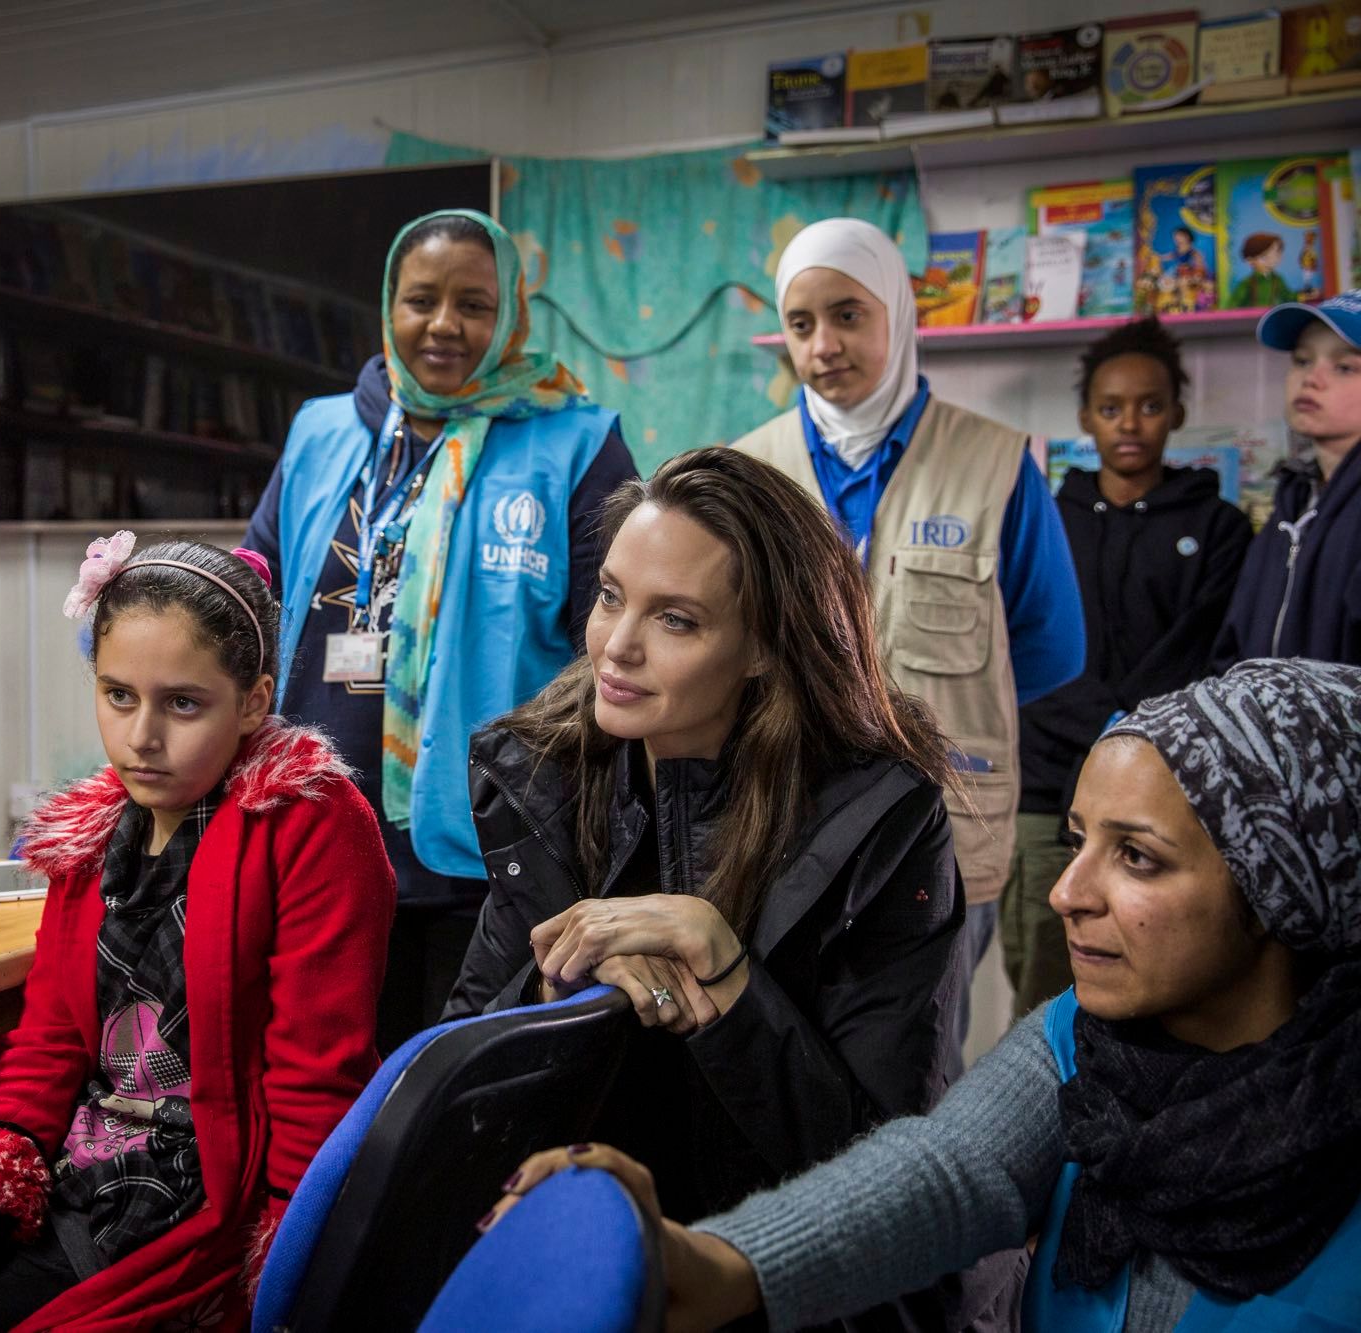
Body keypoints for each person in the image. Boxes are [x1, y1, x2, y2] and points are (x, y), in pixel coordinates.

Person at [488, 658, 1361, 1333]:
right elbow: (947, 1171)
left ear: (1283, 887)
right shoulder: (1081, 1041)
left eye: (1137, 857)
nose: (1067, 892)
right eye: (1079, 842)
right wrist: (713, 1260)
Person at [442, 449, 1017, 1327]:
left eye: (676, 619)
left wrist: (731, 984)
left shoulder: (876, 820)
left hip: (788, 1288)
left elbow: (884, 1168)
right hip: (597, 1261)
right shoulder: (542, 772)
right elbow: (455, 1076)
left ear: (762, 648)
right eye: (610, 596)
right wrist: (557, 992)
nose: (618, 646)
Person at [0, 536, 394, 1333]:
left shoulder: (309, 823)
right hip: (79, 1182)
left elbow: (314, 1082)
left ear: (253, 701)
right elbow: (46, 1051)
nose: (141, 737)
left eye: (182, 703)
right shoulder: (89, 838)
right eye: (118, 695)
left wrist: (286, 1291)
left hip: (207, 1210)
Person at [242, 208, 637, 1049]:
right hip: (314, 830)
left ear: (511, 313)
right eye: (421, 300)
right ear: (390, 305)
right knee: (329, 1078)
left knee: (457, 1082)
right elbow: (257, 584)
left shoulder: (576, 442)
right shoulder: (320, 430)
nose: (444, 325)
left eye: (474, 304)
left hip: (490, 851)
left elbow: (609, 644)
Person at [731, 217, 1084, 1064]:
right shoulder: (747, 469)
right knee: (780, 1055)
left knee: (919, 1065)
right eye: (801, 323)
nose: (824, 344)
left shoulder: (995, 462)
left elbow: (1049, 646)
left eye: (849, 315)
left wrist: (949, 706)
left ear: (899, 311)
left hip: (943, 823)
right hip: (782, 818)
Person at [1010, 319, 1251, 1016]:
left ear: (1176, 412)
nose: (1130, 423)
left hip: (1168, 790)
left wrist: (1132, 731)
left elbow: (1204, 651)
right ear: (1086, 418)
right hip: (1044, 789)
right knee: (1044, 983)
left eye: (1149, 405)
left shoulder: (1220, 526)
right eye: (1111, 407)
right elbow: (1026, 651)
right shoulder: (1047, 520)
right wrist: (1111, 723)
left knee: (1164, 979)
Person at [1213, 291, 1361, 668]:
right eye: (1302, 360)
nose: (1311, 379)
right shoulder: (1293, 498)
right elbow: (1234, 647)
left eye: (1345, 367)